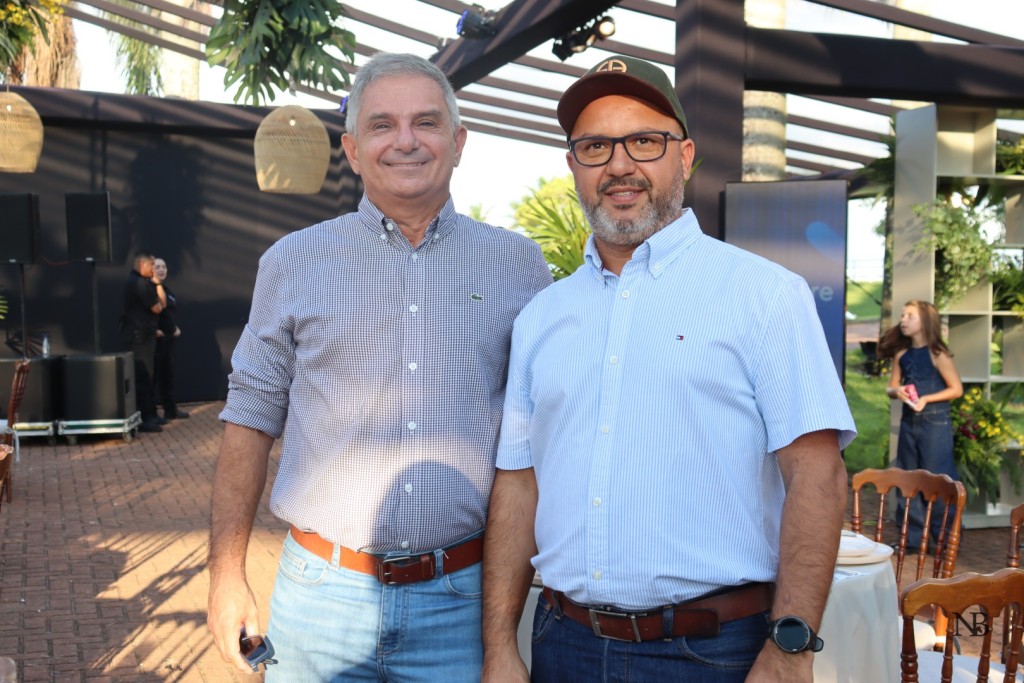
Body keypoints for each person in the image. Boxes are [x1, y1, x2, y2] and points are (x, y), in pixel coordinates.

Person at [481, 55, 857, 683]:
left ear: (683, 157)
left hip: (713, 655)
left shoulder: (764, 295)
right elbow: (519, 486)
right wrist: (499, 645)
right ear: (574, 167)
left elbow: (817, 475)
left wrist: (789, 651)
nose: (619, 165)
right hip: (563, 645)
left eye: (644, 142)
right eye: (595, 147)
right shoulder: (542, 317)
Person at [206, 52, 552, 681]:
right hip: (318, 601)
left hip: (465, 602)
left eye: (426, 122)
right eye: (382, 125)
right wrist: (226, 574)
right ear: (353, 149)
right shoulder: (292, 262)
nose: (406, 141)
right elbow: (250, 418)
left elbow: (540, 437)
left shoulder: (518, 266)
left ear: (459, 142)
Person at [878, 299, 963, 548]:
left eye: (910, 316)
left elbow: (956, 389)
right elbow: (891, 387)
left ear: (925, 322)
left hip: (935, 423)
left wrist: (926, 398)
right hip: (909, 422)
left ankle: (944, 539)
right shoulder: (901, 355)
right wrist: (898, 391)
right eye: (903, 315)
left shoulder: (938, 354)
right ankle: (911, 539)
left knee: (938, 479)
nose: (903, 320)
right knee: (907, 477)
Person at [120, 251, 166, 433]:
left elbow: (160, 306)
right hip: (139, 339)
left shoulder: (142, 282)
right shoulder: (139, 283)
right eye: (151, 265)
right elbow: (157, 308)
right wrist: (157, 286)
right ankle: (145, 417)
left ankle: (151, 413)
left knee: (149, 376)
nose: (154, 269)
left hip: (145, 336)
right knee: (143, 377)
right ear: (142, 265)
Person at [152, 258, 189, 420]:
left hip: (169, 340)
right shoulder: (150, 290)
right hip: (157, 341)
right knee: (155, 376)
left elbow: (168, 314)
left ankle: (170, 409)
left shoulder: (166, 290)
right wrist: (158, 330)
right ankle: (151, 412)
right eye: (157, 267)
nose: (161, 270)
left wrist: (173, 328)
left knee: (168, 376)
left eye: (164, 267)